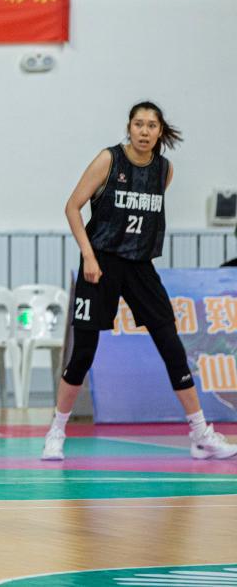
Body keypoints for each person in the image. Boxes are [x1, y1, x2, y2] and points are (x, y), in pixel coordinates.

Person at [42, 101, 237, 461]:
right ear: (129, 127)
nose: (144, 131)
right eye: (138, 124)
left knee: (171, 343)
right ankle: (56, 431)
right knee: (83, 352)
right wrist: (88, 255)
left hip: (140, 266)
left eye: (151, 125)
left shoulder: (164, 170)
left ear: (160, 131)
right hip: (101, 262)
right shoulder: (109, 160)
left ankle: (200, 434)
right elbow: (72, 206)